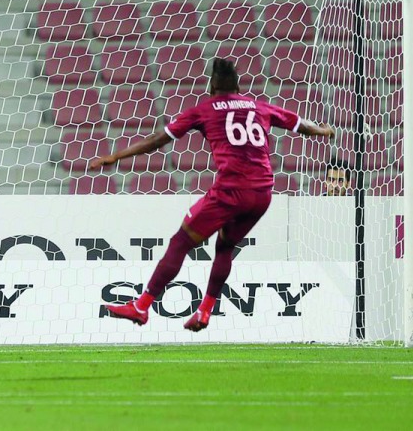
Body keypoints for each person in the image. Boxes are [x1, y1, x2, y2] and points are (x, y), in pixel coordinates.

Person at [90, 58, 335, 332]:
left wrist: (115, 156)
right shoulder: (259, 106)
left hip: (231, 191)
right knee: (225, 247)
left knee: (181, 242)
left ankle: (141, 306)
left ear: (213, 83)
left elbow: (156, 140)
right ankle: (204, 311)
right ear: (238, 83)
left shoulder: (205, 110)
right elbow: (300, 124)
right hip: (263, 193)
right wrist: (324, 131)